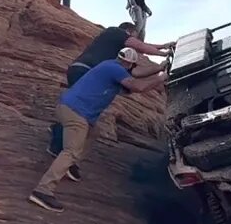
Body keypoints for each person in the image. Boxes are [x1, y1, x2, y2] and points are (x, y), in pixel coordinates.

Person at [28, 48, 169, 212]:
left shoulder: (111, 67)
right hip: (76, 112)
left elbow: (137, 77)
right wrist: (161, 77)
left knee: (93, 133)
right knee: (71, 151)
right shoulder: (115, 69)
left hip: (72, 109)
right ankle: (43, 190)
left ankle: (70, 166)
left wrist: (160, 68)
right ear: (129, 64)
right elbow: (137, 86)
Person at [47, 21, 174, 155]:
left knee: (80, 108)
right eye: (134, 37)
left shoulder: (119, 57)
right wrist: (162, 52)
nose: (134, 42)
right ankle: (57, 146)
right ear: (129, 32)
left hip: (81, 70)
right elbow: (140, 46)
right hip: (85, 70)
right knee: (80, 111)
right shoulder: (114, 32)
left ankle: (57, 130)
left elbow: (136, 72)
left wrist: (160, 67)